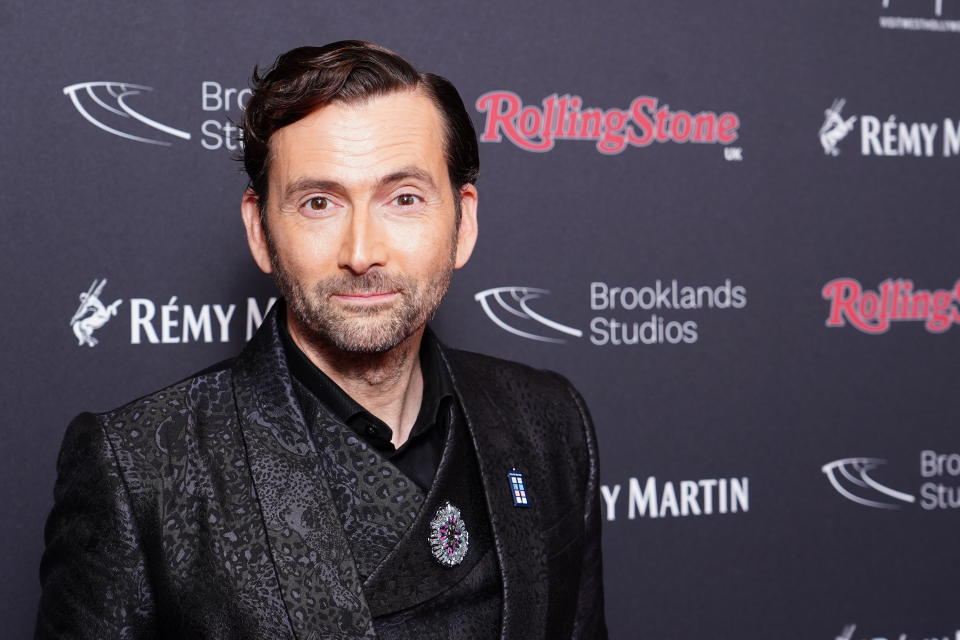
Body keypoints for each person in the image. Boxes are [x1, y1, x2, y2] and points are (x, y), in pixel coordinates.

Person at [35, 40, 607, 640]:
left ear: (464, 222)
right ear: (260, 231)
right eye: (318, 202)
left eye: (404, 199)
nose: (361, 253)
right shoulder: (141, 467)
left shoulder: (546, 419)